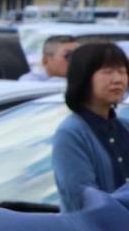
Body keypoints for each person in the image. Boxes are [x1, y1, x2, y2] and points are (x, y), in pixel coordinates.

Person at [52, 42, 129, 212]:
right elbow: (81, 198)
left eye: (122, 71)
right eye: (107, 72)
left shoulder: (124, 127)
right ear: (84, 77)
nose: (117, 79)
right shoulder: (71, 134)